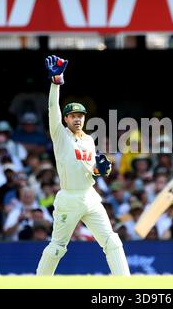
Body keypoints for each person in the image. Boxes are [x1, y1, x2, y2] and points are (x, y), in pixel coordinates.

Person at [36, 55, 130, 276]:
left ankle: (126, 284)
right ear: (66, 119)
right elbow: (52, 108)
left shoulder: (88, 140)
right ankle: (38, 283)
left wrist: (99, 170)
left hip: (89, 196)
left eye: (80, 115)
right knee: (58, 248)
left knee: (112, 241)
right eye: (72, 116)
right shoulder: (60, 135)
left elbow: (89, 170)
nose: (77, 119)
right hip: (69, 198)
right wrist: (55, 82)